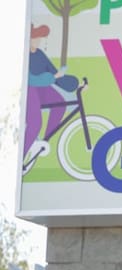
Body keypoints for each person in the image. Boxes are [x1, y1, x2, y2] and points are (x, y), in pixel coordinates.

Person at [25, 24, 71, 173]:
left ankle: (44, 140)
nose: (37, 41)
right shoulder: (24, 55)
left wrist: (76, 85)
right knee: (35, 123)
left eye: (39, 38)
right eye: (35, 38)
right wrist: (51, 77)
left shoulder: (39, 54)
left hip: (43, 89)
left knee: (60, 104)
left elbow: (55, 73)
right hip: (30, 89)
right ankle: (20, 158)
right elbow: (30, 79)